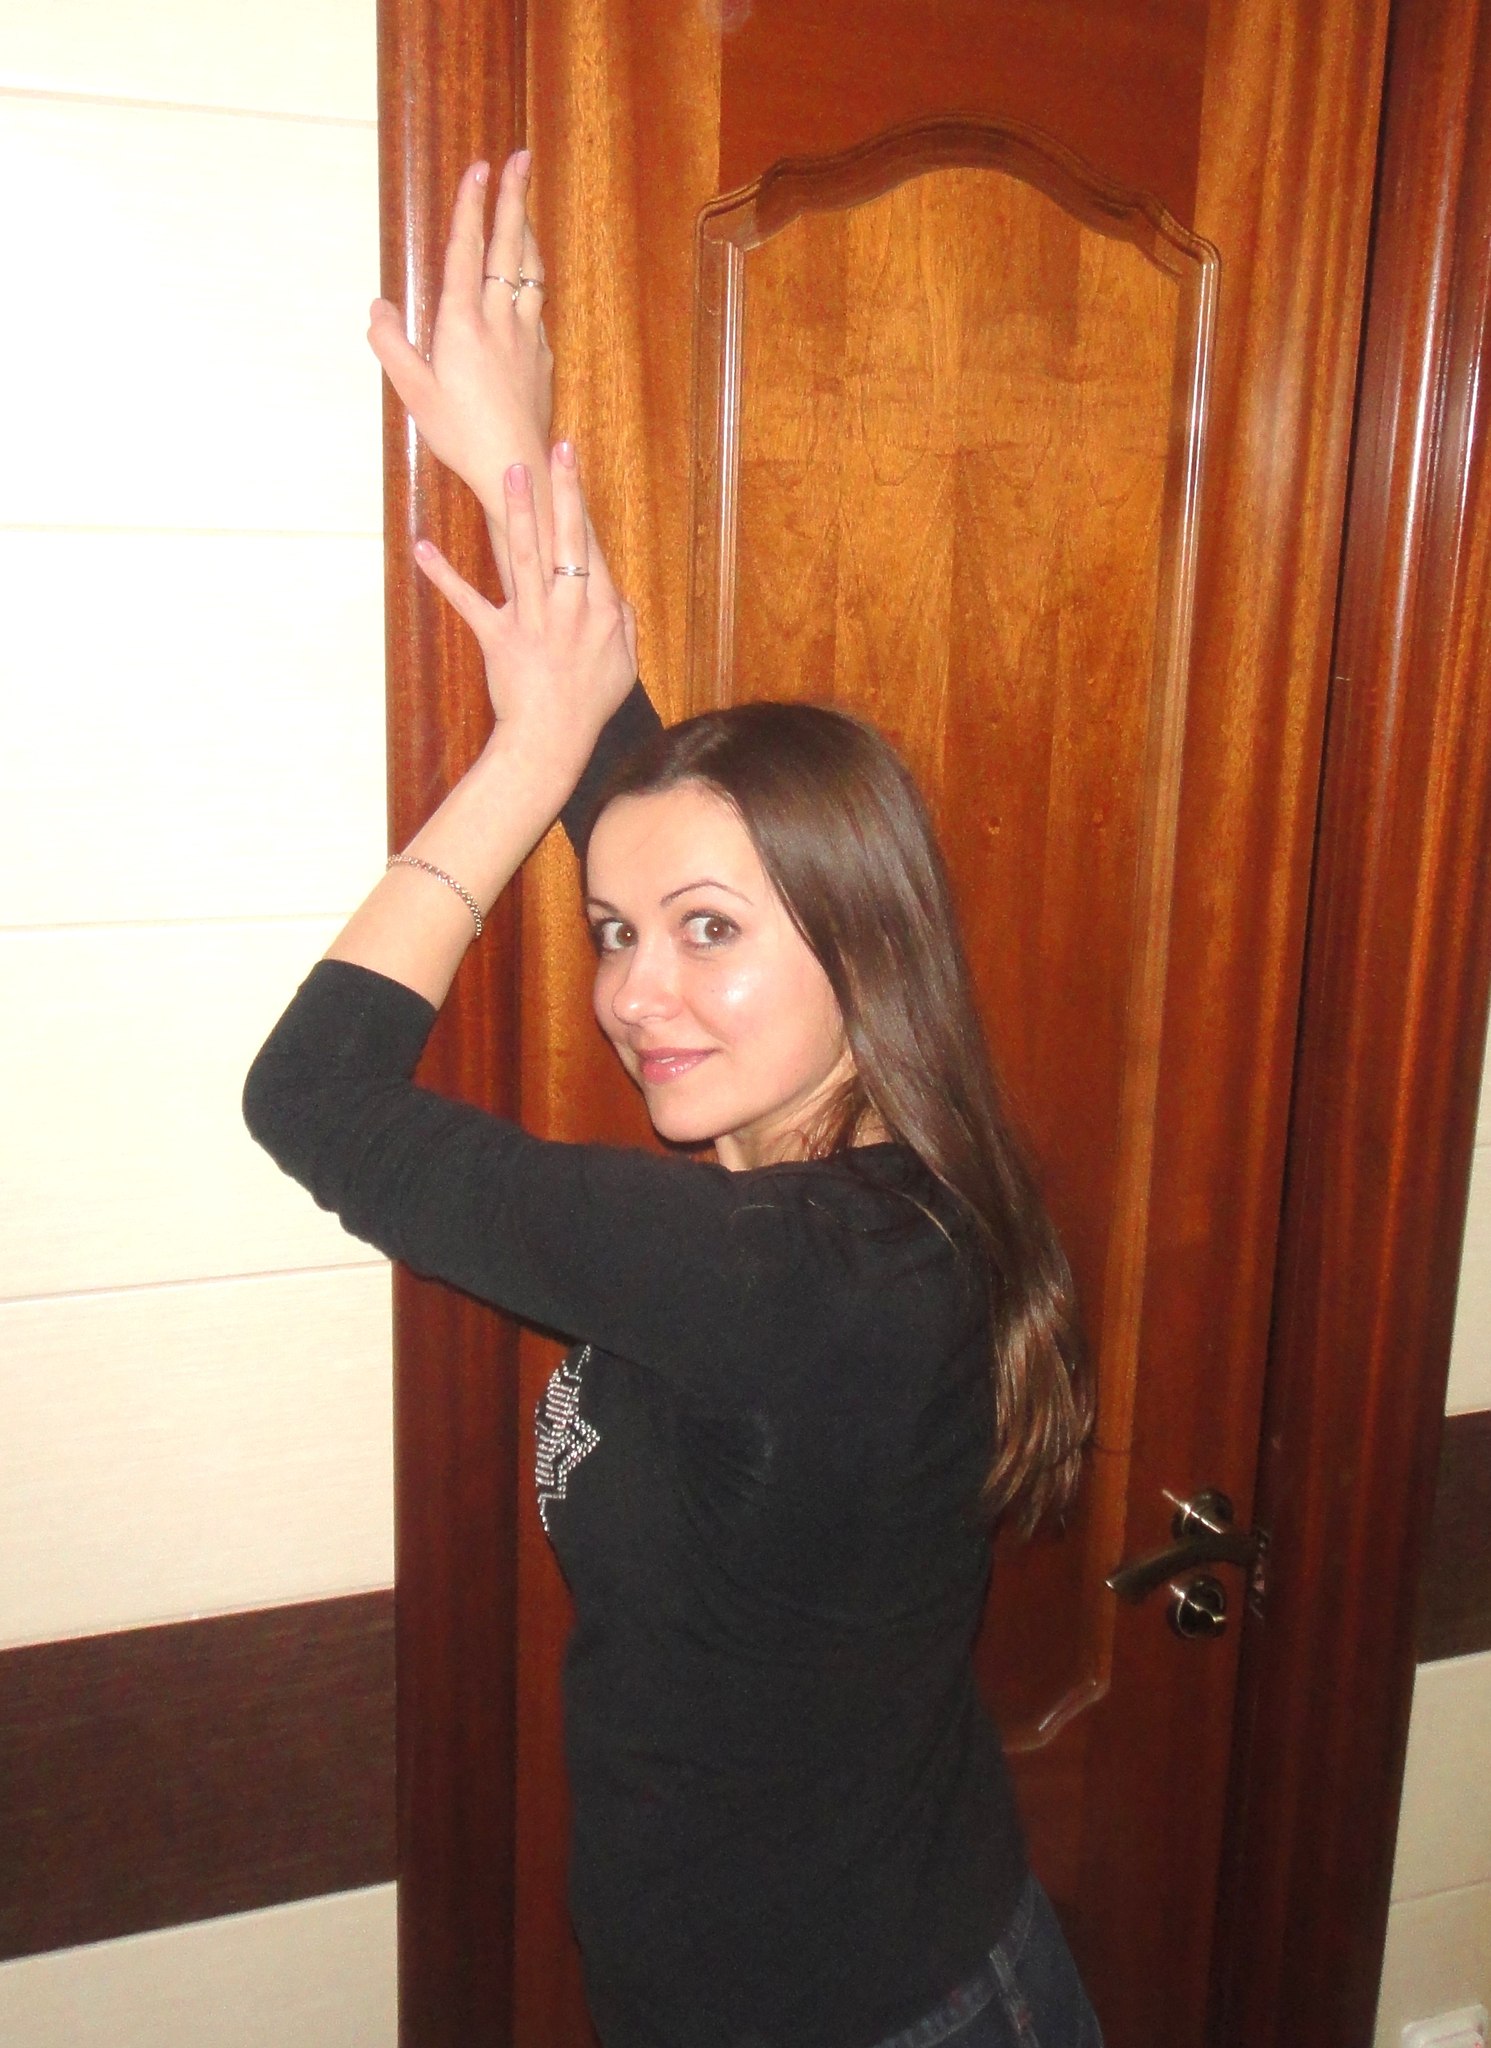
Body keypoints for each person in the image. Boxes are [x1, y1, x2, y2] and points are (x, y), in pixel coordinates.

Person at [244, 151, 1103, 2048]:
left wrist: (520, 754)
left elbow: (312, 1095)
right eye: (620, 933)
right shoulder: (864, 1194)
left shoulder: (790, 1277)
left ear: (864, 942)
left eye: (709, 933)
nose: (639, 991)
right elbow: (635, 785)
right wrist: (514, 466)